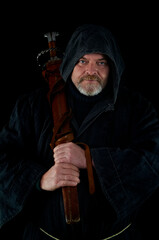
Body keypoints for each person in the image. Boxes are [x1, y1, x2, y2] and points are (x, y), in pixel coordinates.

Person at [0, 24, 159, 240]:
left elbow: (152, 163)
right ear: (70, 63)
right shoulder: (31, 107)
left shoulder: (138, 109)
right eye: (83, 61)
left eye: (101, 62)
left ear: (112, 66)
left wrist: (90, 158)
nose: (91, 71)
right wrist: (39, 179)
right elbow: (3, 159)